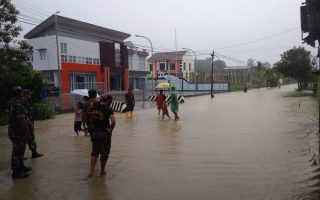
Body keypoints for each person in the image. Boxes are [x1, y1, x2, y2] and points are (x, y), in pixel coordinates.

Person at [7, 86, 33, 179]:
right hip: (18, 132)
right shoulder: (18, 105)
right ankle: (16, 172)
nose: (23, 94)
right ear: (18, 93)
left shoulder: (11, 103)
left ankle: (21, 167)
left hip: (13, 130)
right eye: (21, 92)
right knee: (17, 151)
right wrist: (28, 132)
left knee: (20, 150)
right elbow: (22, 120)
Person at [88, 94, 116, 178]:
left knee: (94, 153)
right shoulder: (108, 108)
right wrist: (110, 130)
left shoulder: (95, 106)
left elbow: (89, 112)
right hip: (104, 134)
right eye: (110, 102)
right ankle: (102, 172)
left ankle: (91, 171)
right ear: (108, 101)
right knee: (104, 154)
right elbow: (113, 121)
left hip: (95, 133)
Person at [22, 89, 43, 159]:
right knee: (24, 140)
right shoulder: (23, 103)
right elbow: (24, 115)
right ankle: (20, 156)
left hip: (30, 123)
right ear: (26, 94)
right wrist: (29, 124)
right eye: (29, 94)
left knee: (32, 139)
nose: (30, 95)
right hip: (26, 124)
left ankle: (34, 153)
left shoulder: (29, 102)